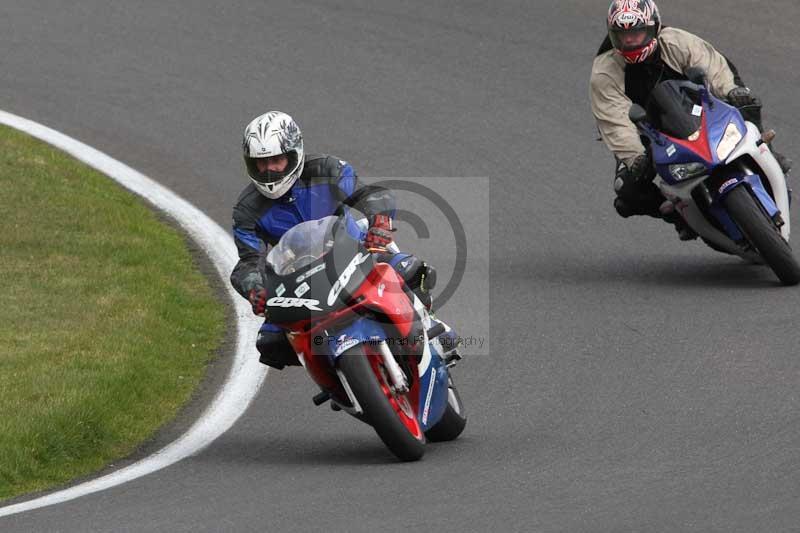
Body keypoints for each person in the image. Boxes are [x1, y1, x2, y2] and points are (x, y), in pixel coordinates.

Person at [230, 111, 437, 369]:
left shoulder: (326, 169)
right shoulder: (247, 210)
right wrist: (254, 289)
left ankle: (431, 328)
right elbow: (248, 262)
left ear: (294, 153)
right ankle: (336, 380)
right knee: (271, 343)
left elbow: (369, 194)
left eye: (276, 160)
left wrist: (380, 221)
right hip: (299, 281)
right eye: (261, 163)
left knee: (411, 269)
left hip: (356, 253)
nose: (269, 170)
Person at [590, 0, 792, 239]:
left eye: (637, 32)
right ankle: (680, 215)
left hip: (697, 107)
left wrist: (730, 90)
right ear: (613, 35)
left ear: (653, 28)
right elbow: (615, 120)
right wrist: (634, 157)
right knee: (627, 192)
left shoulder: (675, 41)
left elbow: (711, 65)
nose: (630, 41)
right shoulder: (604, 72)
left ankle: (765, 148)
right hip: (647, 130)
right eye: (623, 35)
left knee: (745, 100)